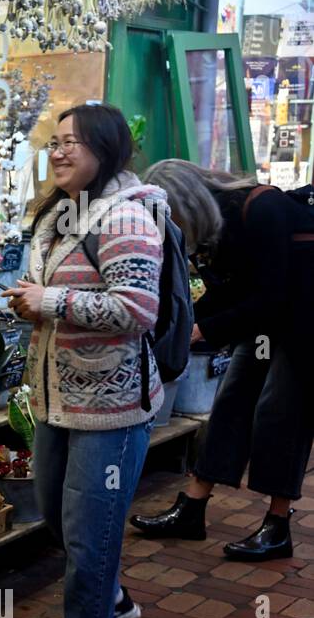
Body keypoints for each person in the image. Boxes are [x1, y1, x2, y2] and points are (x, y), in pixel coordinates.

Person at [2, 103, 166, 618]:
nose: (60, 150)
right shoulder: (61, 216)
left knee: (90, 527)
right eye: (56, 141)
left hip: (112, 409)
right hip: (57, 400)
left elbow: (138, 310)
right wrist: (32, 300)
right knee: (57, 514)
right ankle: (111, 599)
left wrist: (50, 302)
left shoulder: (126, 219)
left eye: (73, 141)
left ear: (107, 147)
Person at [128, 160, 314, 561]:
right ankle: (192, 509)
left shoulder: (262, 210)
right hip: (270, 317)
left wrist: (202, 330)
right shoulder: (212, 231)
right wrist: (183, 322)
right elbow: (230, 292)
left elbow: (269, 298)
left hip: (304, 319)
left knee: (282, 414)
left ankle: (277, 526)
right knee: (230, 402)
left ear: (187, 203)